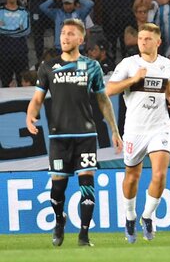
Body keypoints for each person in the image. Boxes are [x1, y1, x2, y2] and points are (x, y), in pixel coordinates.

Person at [25, 18, 123, 247]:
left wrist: (114, 130)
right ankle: (59, 220)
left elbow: (103, 99)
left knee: (87, 186)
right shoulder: (48, 67)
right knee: (57, 190)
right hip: (59, 137)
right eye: (63, 33)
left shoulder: (92, 66)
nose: (65, 37)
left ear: (81, 39)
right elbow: (37, 98)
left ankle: (84, 235)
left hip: (86, 136)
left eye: (70, 34)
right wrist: (30, 114)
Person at [106, 23, 170, 243]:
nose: (143, 42)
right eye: (140, 38)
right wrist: (133, 80)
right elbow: (109, 90)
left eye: (147, 39)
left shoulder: (166, 64)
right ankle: (130, 217)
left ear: (158, 42)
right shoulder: (129, 64)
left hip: (160, 127)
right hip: (135, 130)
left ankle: (148, 216)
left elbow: (167, 86)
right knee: (132, 176)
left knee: (159, 174)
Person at [0, 0, 30, 87]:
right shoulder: (1, 11)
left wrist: (5, 27)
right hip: (4, 51)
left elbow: (26, 30)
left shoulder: (23, 12)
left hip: (20, 50)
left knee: (23, 81)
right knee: (5, 81)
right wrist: (17, 28)